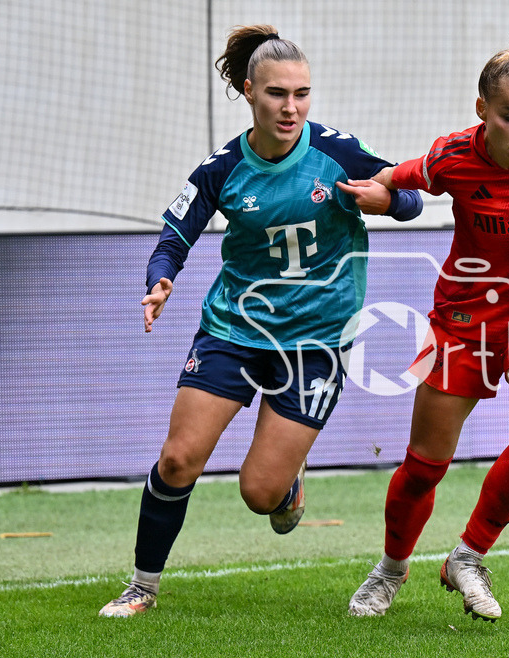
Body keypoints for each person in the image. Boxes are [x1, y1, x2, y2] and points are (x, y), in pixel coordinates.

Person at [98, 25, 422, 617]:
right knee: (177, 459)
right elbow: (174, 236)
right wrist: (160, 280)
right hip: (235, 328)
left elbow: (409, 195)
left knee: (259, 493)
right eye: (277, 93)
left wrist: (388, 201)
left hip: (317, 340)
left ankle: (287, 482)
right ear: (250, 92)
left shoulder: (337, 152)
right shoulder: (223, 167)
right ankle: (142, 586)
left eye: (302, 93)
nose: (291, 107)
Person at [346, 33, 509, 622]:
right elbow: (401, 176)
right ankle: (390, 569)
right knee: (424, 467)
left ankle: (469, 555)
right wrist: (380, 194)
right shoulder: (454, 157)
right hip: (463, 324)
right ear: (482, 110)